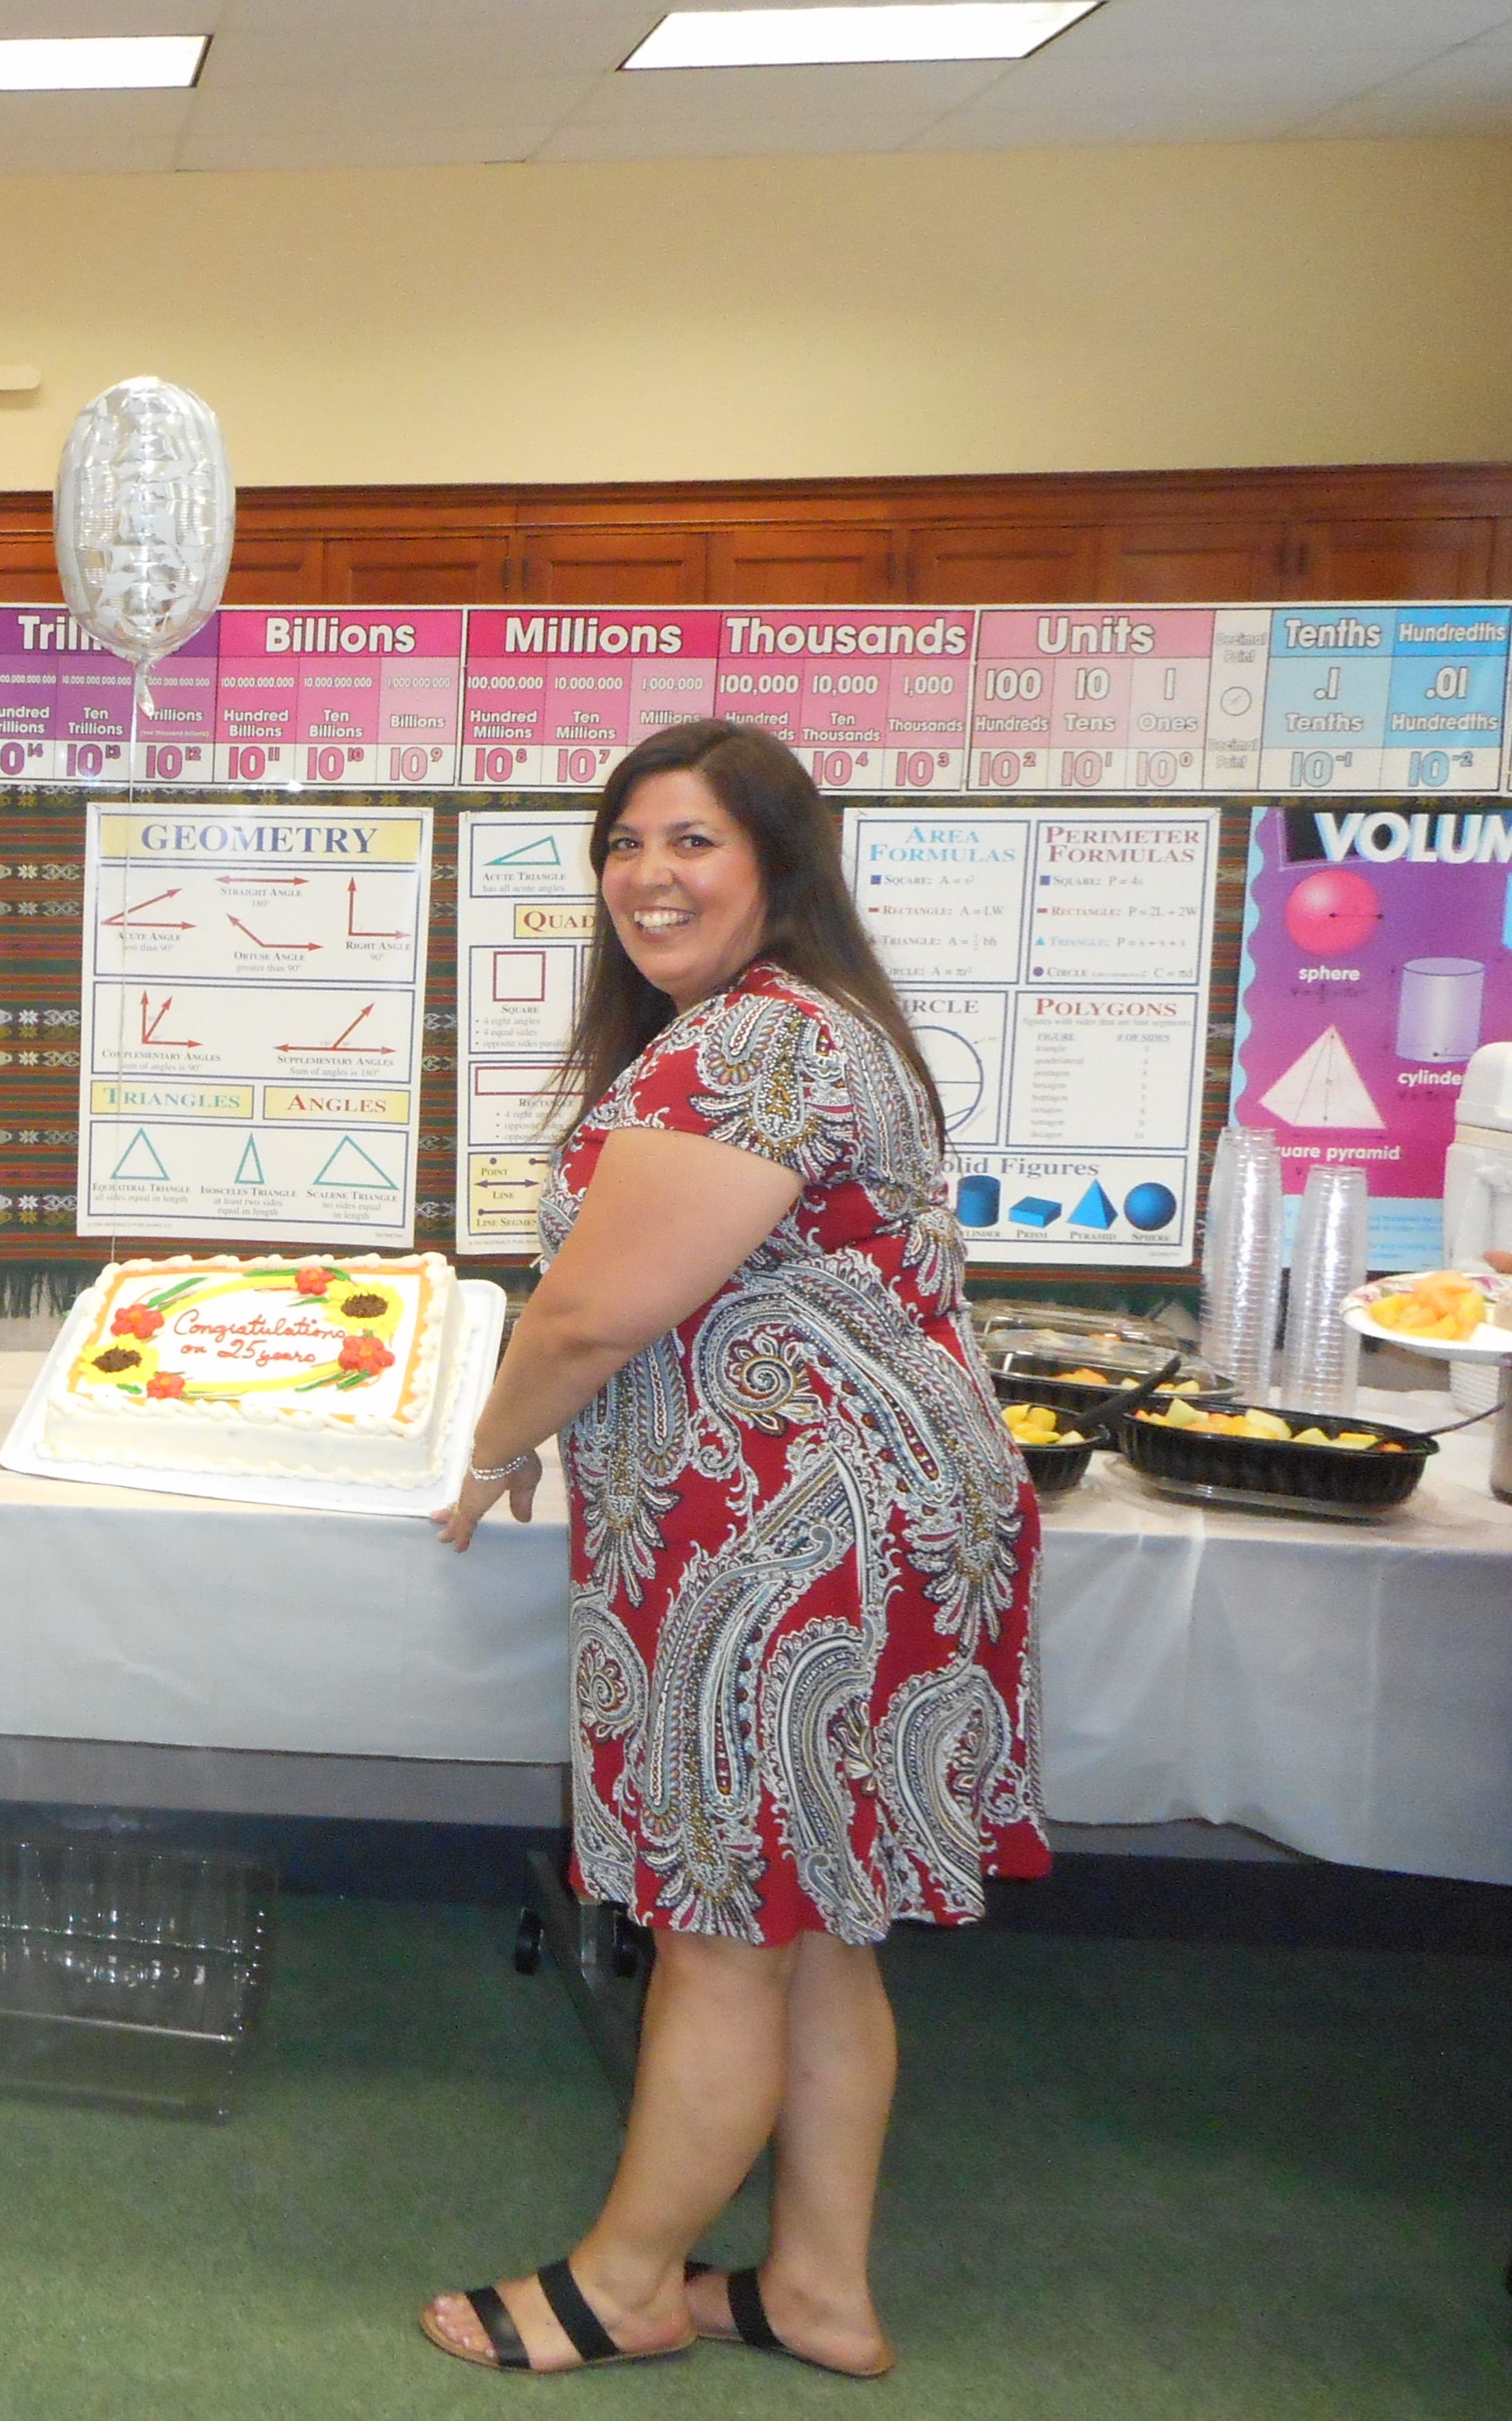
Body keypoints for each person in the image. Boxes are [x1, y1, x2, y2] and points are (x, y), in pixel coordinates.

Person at [421, 717, 1042, 2382]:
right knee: (812, 1920)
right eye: (621, 843)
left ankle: (627, 2283)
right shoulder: (799, 1030)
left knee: (720, 1922)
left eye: (688, 840)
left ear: (779, 860)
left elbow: (590, 1312)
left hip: (791, 1543)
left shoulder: (750, 1048)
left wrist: (478, 1452)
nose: (644, 874)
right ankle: (817, 2287)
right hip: (864, 1526)